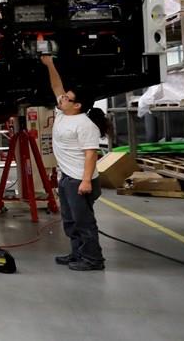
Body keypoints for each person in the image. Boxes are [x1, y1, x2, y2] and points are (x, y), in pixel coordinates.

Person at [41, 55, 107, 271]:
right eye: (63, 97)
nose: (61, 99)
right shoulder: (63, 114)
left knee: (84, 221)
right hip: (68, 178)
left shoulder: (85, 125)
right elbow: (56, 86)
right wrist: (50, 64)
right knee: (70, 220)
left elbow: (91, 155)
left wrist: (86, 181)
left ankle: (93, 259)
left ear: (77, 105)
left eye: (67, 99)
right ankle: (77, 253)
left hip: (80, 180)